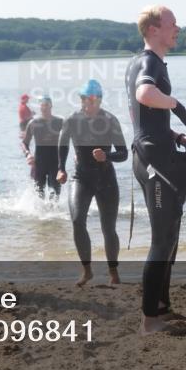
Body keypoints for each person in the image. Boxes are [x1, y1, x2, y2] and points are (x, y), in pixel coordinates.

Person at [125, 6, 186, 334]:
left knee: (171, 234)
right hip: (153, 163)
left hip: (155, 153)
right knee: (161, 240)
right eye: (173, 24)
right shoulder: (148, 63)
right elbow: (144, 95)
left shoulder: (142, 62)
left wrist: (176, 134)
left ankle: (161, 307)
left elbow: (141, 119)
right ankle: (148, 320)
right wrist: (172, 103)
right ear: (155, 28)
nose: (178, 29)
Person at [57, 80, 127, 287]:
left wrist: (106, 156)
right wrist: (61, 169)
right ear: (81, 100)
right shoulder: (72, 120)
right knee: (78, 220)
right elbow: (62, 146)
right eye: (86, 99)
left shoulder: (110, 120)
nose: (90, 104)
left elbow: (123, 153)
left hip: (105, 178)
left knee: (108, 228)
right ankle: (87, 271)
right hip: (81, 177)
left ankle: (113, 271)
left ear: (100, 100)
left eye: (94, 100)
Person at [21, 95, 64, 200]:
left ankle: (54, 215)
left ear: (51, 106)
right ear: (40, 107)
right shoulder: (33, 123)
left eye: (46, 105)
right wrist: (28, 154)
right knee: (39, 194)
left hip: (55, 162)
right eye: (42, 105)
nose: (44, 108)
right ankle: (40, 216)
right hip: (39, 162)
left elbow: (73, 136)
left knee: (55, 194)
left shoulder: (59, 121)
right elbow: (24, 143)